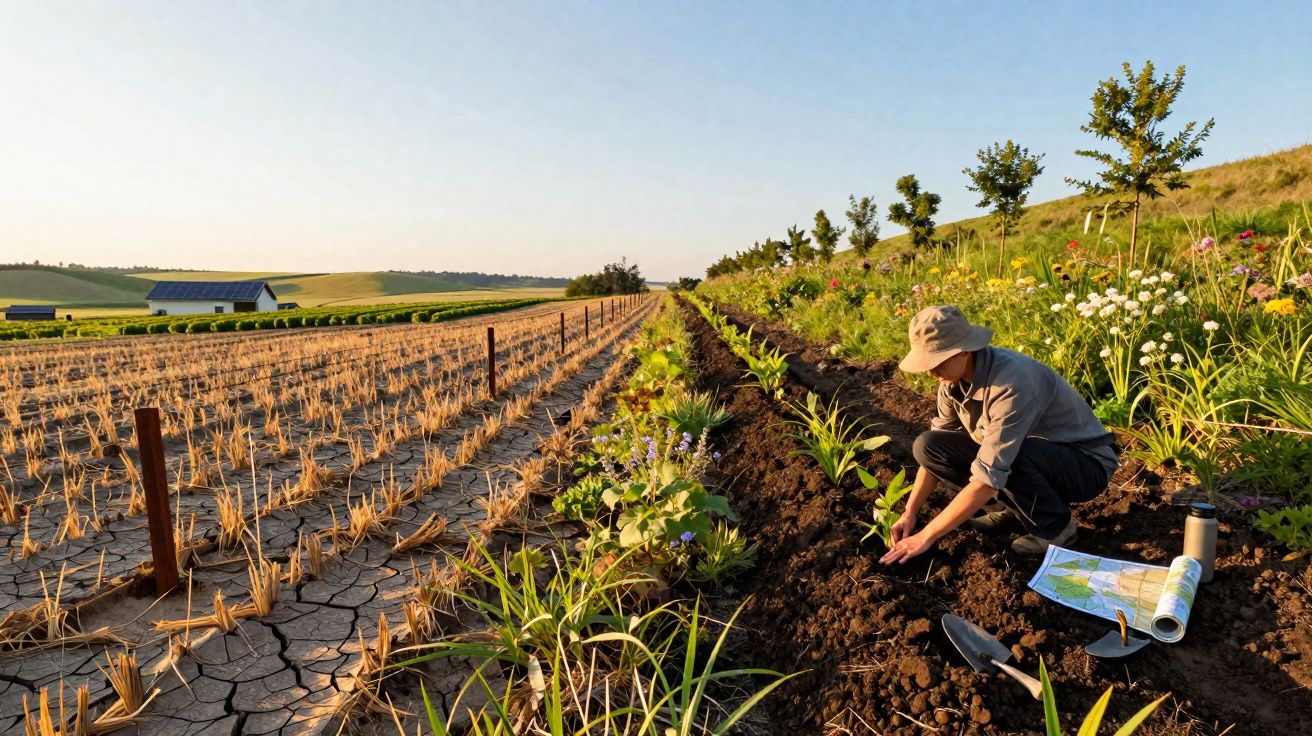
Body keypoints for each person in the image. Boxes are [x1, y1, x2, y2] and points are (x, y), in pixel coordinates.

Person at [880, 305, 1119, 564]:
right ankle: (1013, 508)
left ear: (964, 351)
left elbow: (990, 473)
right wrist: (910, 511)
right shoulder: (950, 382)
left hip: (1084, 464)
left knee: (1009, 455)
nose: (931, 372)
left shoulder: (1011, 383)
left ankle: (1056, 528)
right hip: (1031, 456)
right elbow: (936, 448)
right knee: (928, 446)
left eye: (937, 362)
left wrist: (925, 536)